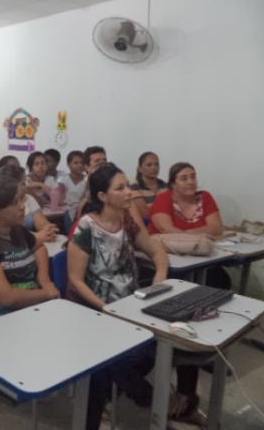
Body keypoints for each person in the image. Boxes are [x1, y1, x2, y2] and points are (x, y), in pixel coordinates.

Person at [68, 163, 204, 429]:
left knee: (184, 335)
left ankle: (184, 402)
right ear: (102, 197)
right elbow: (74, 280)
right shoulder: (86, 228)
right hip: (96, 311)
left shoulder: (127, 220)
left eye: (128, 185)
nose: (129, 192)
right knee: (114, 362)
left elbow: (157, 253)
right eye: (121, 188)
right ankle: (157, 401)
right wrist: (107, 307)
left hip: (133, 305)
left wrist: (157, 285)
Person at [0, 171, 60, 323]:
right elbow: (6, 298)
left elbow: (38, 247)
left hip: (28, 309)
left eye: (22, 200)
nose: (22, 207)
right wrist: (46, 293)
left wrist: (44, 278)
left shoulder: (16, 230)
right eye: (15, 203)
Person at [149, 162, 229, 290]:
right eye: (184, 178)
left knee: (221, 280)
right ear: (172, 184)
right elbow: (166, 229)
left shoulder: (205, 197)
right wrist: (198, 236)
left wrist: (188, 233)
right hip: (171, 259)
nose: (191, 182)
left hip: (201, 256)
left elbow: (217, 228)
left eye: (193, 177)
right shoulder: (164, 199)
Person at [131, 151, 167, 220]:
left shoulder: (166, 186)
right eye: (149, 165)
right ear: (140, 169)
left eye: (156, 164)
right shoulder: (134, 188)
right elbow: (145, 214)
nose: (154, 167)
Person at [59, 150, 86, 232]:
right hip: (68, 211)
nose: (79, 165)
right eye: (75, 163)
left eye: (82, 163)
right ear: (68, 164)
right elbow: (60, 199)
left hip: (84, 211)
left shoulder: (87, 180)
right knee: (70, 233)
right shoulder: (63, 180)